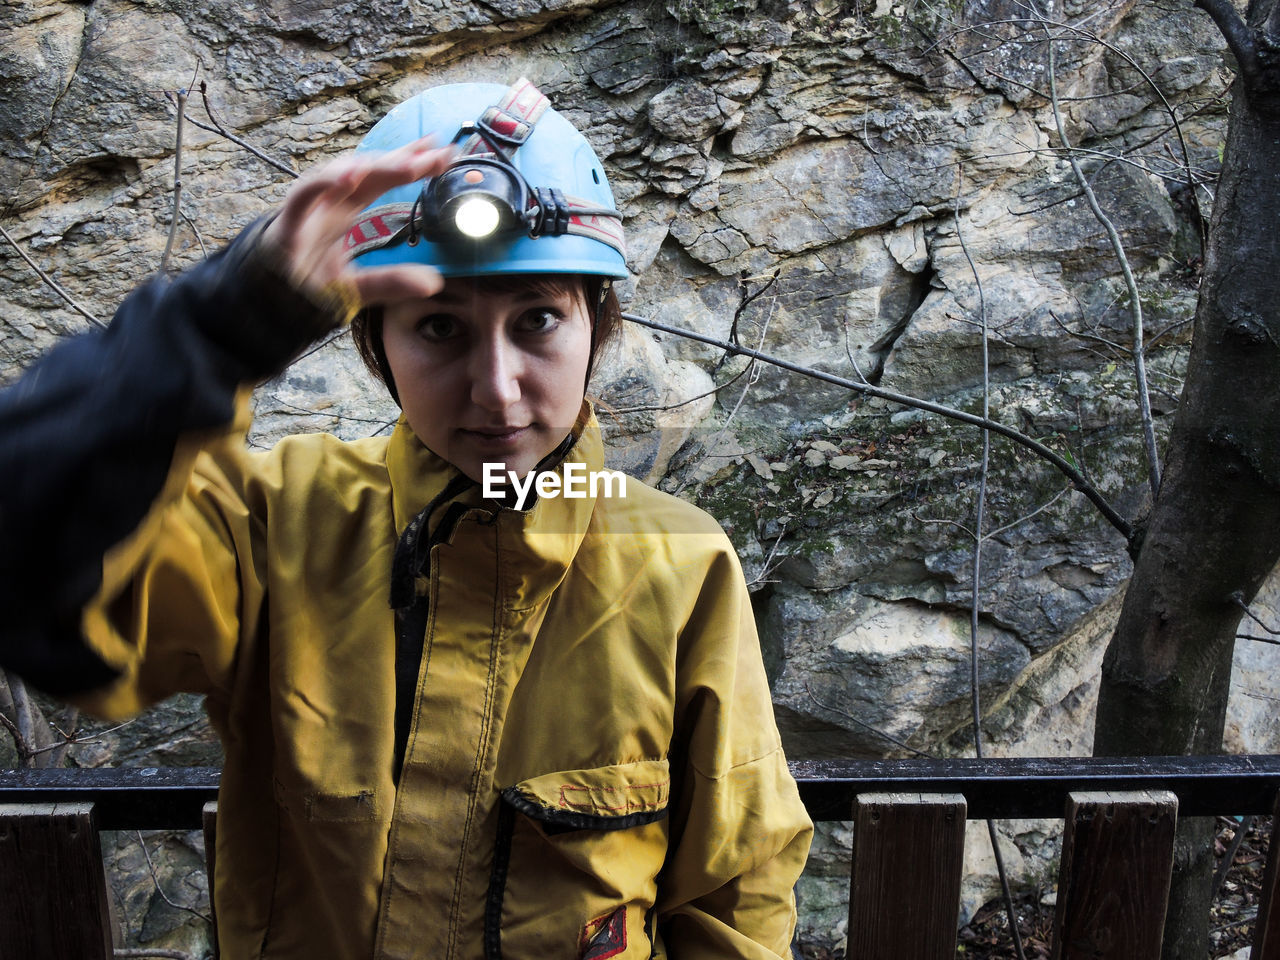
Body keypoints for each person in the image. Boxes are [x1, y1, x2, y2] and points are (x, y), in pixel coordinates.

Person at [0, 79, 812, 959]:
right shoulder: (274, 525)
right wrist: (220, 324)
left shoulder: (680, 563)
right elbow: (30, 565)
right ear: (376, 345)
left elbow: (737, 892)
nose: (495, 388)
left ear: (597, 327)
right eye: (438, 329)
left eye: (539, 319)